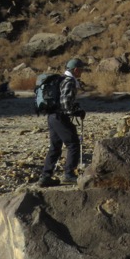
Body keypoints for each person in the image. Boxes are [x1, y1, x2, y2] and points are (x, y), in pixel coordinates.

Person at [38, 58, 86, 187]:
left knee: (55, 146)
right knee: (73, 144)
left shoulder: (59, 79)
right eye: (81, 70)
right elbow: (65, 101)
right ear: (75, 69)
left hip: (51, 116)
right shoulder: (69, 81)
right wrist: (74, 112)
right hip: (60, 117)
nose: (82, 72)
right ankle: (69, 174)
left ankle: (45, 176)